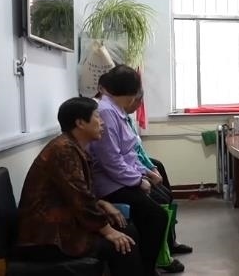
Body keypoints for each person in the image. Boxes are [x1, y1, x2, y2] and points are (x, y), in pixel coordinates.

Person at [16, 97, 148, 276]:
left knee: (126, 229)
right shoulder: (64, 150)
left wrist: (101, 203)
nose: (102, 122)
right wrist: (107, 231)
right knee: (123, 244)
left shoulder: (73, 146)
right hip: (47, 237)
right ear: (80, 123)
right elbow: (79, 198)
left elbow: (76, 192)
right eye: (97, 117)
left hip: (64, 223)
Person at [91, 65, 171, 275]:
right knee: (156, 216)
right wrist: (138, 180)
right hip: (110, 184)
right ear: (131, 93)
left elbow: (129, 153)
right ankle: (147, 269)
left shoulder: (115, 111)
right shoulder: (106, 112)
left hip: (121, 178)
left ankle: (158, 257)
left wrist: (144, 173)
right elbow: (111, 161)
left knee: (160, 200)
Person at [122, 88, 193, 273]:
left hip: (135, 168)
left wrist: (150, 168)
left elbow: (138, 150)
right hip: (125, 178)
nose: (138, 105)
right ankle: (162, 255)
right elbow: (122, 159)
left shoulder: (125, 118)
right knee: (160, 200)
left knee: (163, 181)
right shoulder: (110, 115)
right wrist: (142, 176)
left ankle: (170, 242)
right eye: (137, 100)